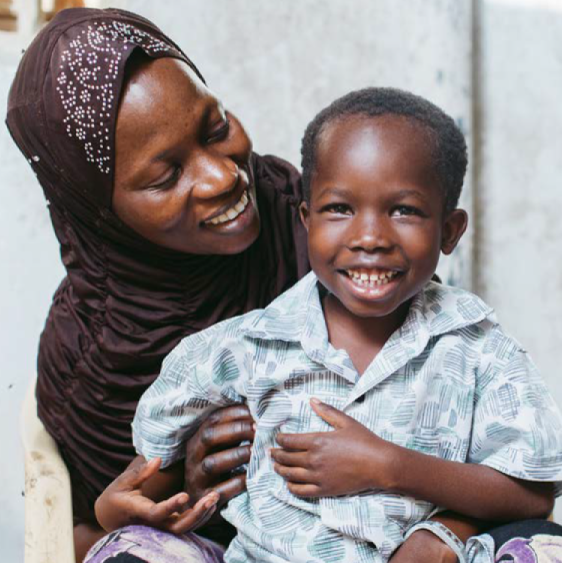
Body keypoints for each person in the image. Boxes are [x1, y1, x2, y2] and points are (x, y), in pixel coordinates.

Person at [95, 87, 562, 563]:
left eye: (404, 210)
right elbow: (149, 483)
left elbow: (531, 497)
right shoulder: (244, 348)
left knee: (546, 548)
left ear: (448, 231)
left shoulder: (480, 349)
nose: (369, 238)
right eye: (340, 209)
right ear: (306, 219)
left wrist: (391, 467)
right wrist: (115, 510)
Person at [6, 7, 309, 557]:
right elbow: (78, 541)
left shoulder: (316, 219)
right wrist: (182, 490)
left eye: (215, 129)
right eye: (167, 176)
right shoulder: (93, 362)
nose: (223, 176)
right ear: (99, 212)